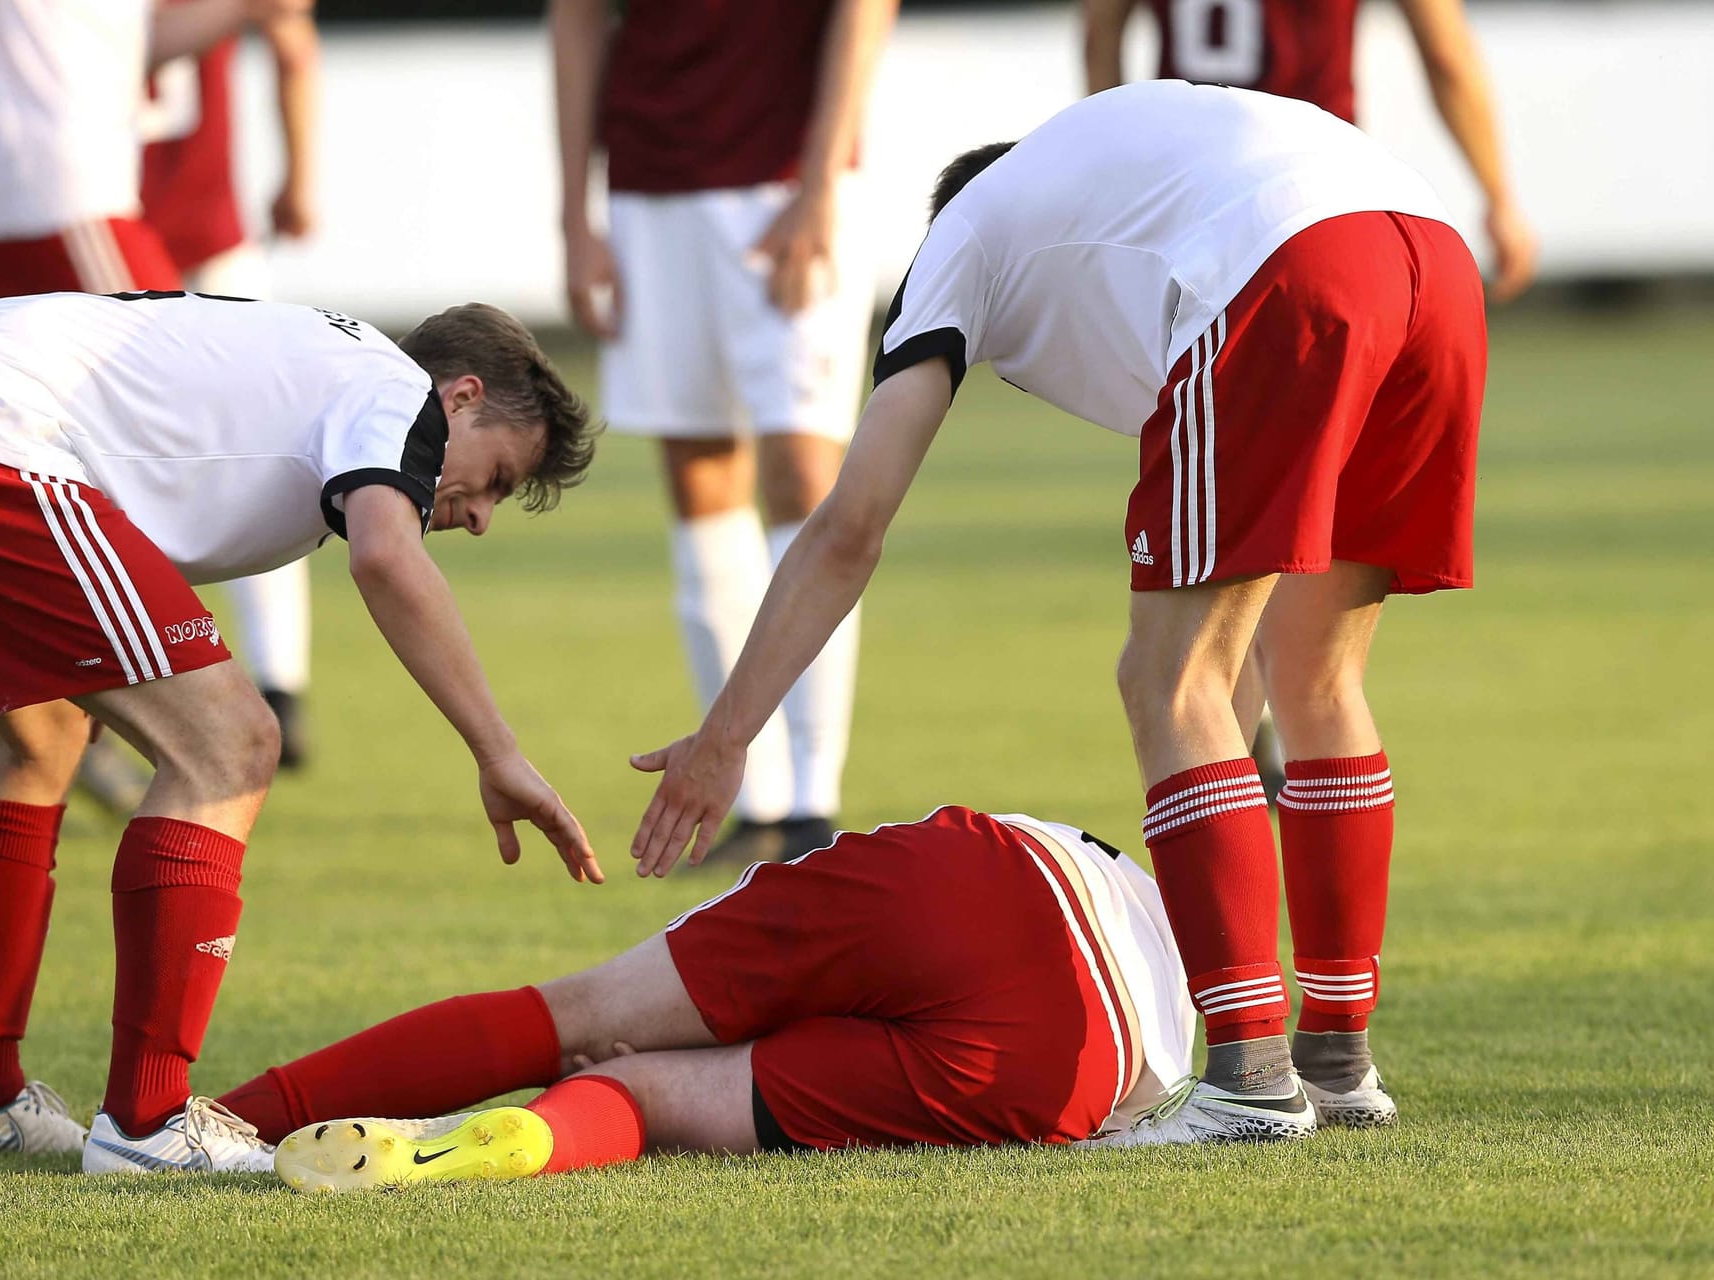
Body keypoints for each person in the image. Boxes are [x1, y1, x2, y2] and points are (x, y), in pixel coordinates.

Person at [628, 81, 1487, 1145]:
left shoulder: (959, 238)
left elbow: (850, 522)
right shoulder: (1120, 195)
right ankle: (1336, 1060)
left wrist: (727, 737)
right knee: (1319, 675)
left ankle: (1252, 1082)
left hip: (1285, 262)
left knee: (1163, 680)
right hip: (1432, 257)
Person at [0, 292, 603, 1174]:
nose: (483, 515)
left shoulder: (324, 364)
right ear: (460, 397)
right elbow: (385, 555)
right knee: (230, 748)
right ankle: (148, 1128)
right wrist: (498, 753)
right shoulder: (396, 392)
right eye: (495, 477)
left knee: (40, 741)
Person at [208, 806, 1194, 1192]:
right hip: (1089, 1056)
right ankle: (507, 1142)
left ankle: (217, 1119)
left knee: (579, 1013)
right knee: (647, 1097)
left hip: (996, 875)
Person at [0, 0, 308, 828]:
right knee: (176, 455)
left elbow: (127, 43)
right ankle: (139, 718)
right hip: (63, 202)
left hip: (48, 201)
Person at [549, 0, 898, 865]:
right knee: (701, 479)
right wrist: (574, 215)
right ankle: (757, 802)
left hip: (788, 175)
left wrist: (821, 182)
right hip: (651, 183)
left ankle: (814, 800)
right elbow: (577, 19)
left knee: (803, 473)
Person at [141, 3, 323, 767]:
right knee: (243, 460)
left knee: (256, 455)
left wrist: (300, 177)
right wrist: (299, 177)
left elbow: (291, 42)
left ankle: (269, 679)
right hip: (162, 241)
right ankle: (262, 676)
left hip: (162, 240)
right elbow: (290, 40)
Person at [1082, 0, 1537, 302]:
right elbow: (1446, 57)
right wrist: (1498, 198)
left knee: (1207, 412)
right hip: (1317, 190)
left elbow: (1099, 37)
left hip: (1191, 193)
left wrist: (1120, 173)